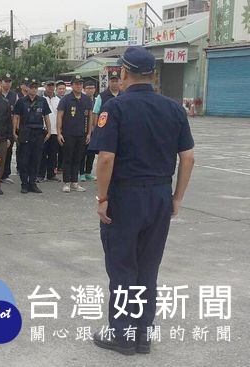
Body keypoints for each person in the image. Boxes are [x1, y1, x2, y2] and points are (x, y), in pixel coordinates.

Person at [89, 46, 195, 355]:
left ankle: (122, 336)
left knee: (123, 268)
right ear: (153, 75)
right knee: (148, 269)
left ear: (123, 72)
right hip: (160, 195)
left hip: (125, 196)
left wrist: (102, 197)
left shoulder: (116, 108)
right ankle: (142, 335)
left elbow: (106, 159)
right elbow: (187, 158)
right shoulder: (174, 109)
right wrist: (177, 197)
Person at [13, 79, 51, 194]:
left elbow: (46, 117)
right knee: (24, 159)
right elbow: (16, 116)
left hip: (38, 132)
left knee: (36, 159)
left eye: (35, 87)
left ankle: (32, 183)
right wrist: (14, 131)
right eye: (31, 87)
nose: (33, 89)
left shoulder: (42, 101)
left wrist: (49, 131)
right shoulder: (21, 101)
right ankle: (24, 183)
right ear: (27, 88)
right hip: (25, 131)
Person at [57, 75, 93, 193]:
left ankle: (74, 182)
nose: (79, 86)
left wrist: (88, 133)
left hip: (82, 134)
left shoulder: (86, 99)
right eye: (76, 84)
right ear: (72, 85)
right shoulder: (66, 99)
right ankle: (66, 182)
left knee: (78, 158)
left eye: (80, 84)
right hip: (68, 134)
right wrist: (59, 133)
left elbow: (90, 116)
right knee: (68, 158)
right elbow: (60, 116)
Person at [39, 80, 60, 182]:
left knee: (53, 154)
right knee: (42, 153)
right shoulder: (41, 99)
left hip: (55, 131)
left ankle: (51, 174)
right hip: (44, 131)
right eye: (49, 86)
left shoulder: (58, 100)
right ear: (45, 86)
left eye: (53, 86)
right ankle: (40, 174)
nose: (51, 88)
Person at [0, 73, 18, 184]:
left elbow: (16, 114)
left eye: (9, 81)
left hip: (9, 127)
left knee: (8, 151)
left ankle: (5, 174)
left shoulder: (14, 95)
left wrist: (14, 129)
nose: (7, 83)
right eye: (5, 81)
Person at [80, 80, 98, 182]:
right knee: (82, 152)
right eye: (88, 88)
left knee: (91, 153)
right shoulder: (82, 100)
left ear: (95, 89)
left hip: (95, 131)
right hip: (83, 130)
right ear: (84, 89)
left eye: (92, 88)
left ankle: (88, 172)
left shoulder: (97, 100)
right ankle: (81, 172)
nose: (90, 90)